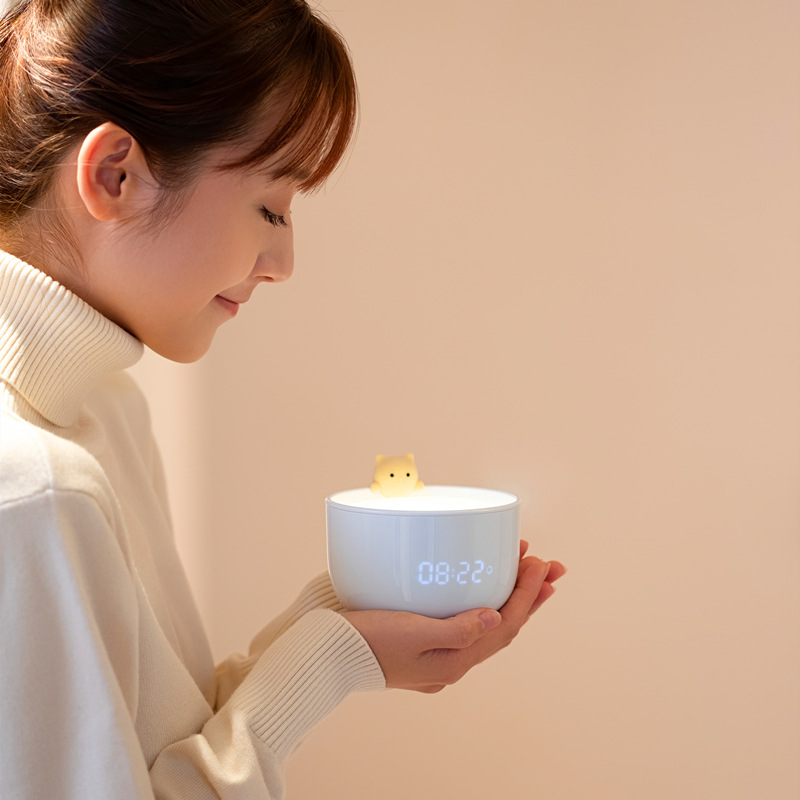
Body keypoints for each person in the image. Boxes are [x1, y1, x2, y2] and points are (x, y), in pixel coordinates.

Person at [0, 0, 566, 797]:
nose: (283, 262)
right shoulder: (31, 490)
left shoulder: (107, 411)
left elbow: (162, 744)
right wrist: (330, 663)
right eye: (271, 207)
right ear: (113, 176)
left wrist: (331, 627)